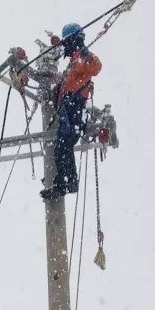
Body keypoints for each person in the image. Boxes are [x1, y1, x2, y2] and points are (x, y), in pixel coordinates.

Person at [41, 22, 102, 202]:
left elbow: (96, 68)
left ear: (73, 41)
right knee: (62, 146)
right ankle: (67, 180)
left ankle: (65, 182)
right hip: (68, 108)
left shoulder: (82, 58)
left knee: (62, 145)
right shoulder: (72, 64)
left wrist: (87, 55)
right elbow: (65, 85)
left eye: (67, 42)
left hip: (75, 108)